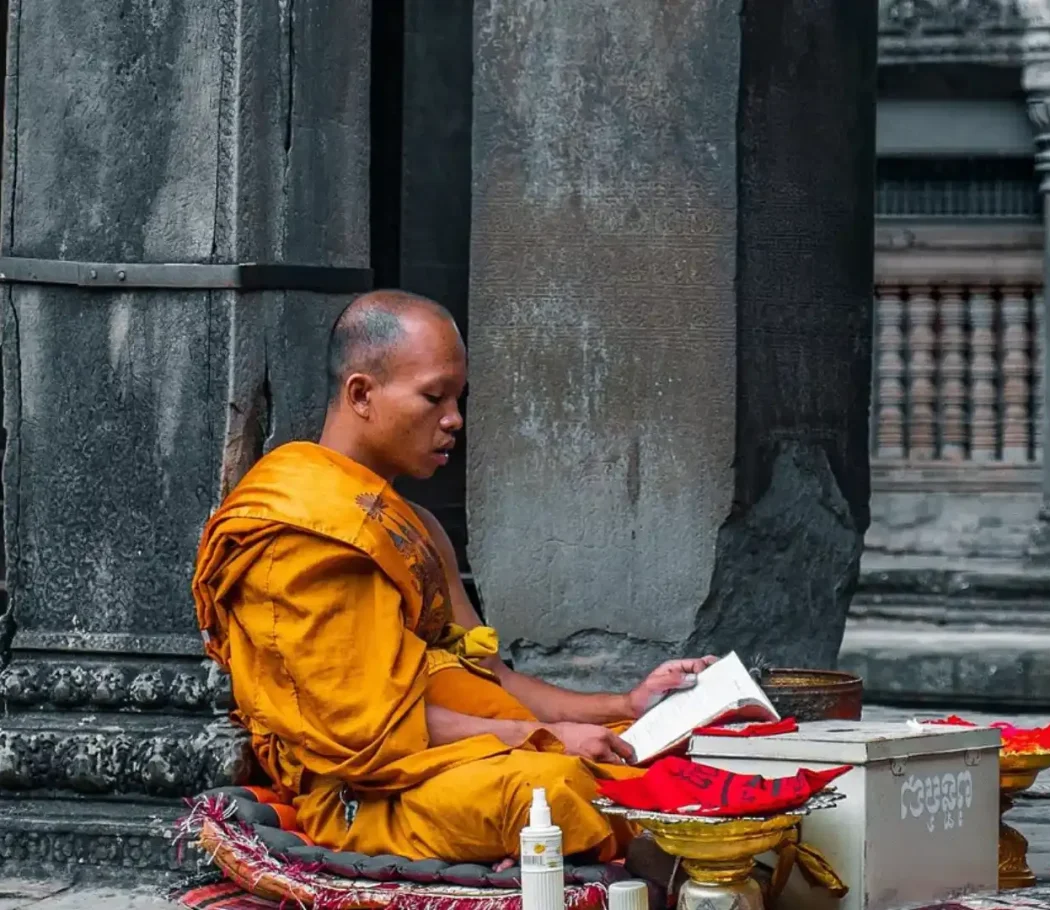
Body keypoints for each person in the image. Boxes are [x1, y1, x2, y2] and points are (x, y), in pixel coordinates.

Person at [192, 289, 716, 866]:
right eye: (433, 397)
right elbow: (364, 733)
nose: (453, 420)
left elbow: (493, 679)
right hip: (372, 790)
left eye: (458, 398)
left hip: (470, 750)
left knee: (669, 753)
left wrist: (627, 702)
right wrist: (547, 739)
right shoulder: (302, 528)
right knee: (561, 793)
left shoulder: (413, 526)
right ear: (362, 394)